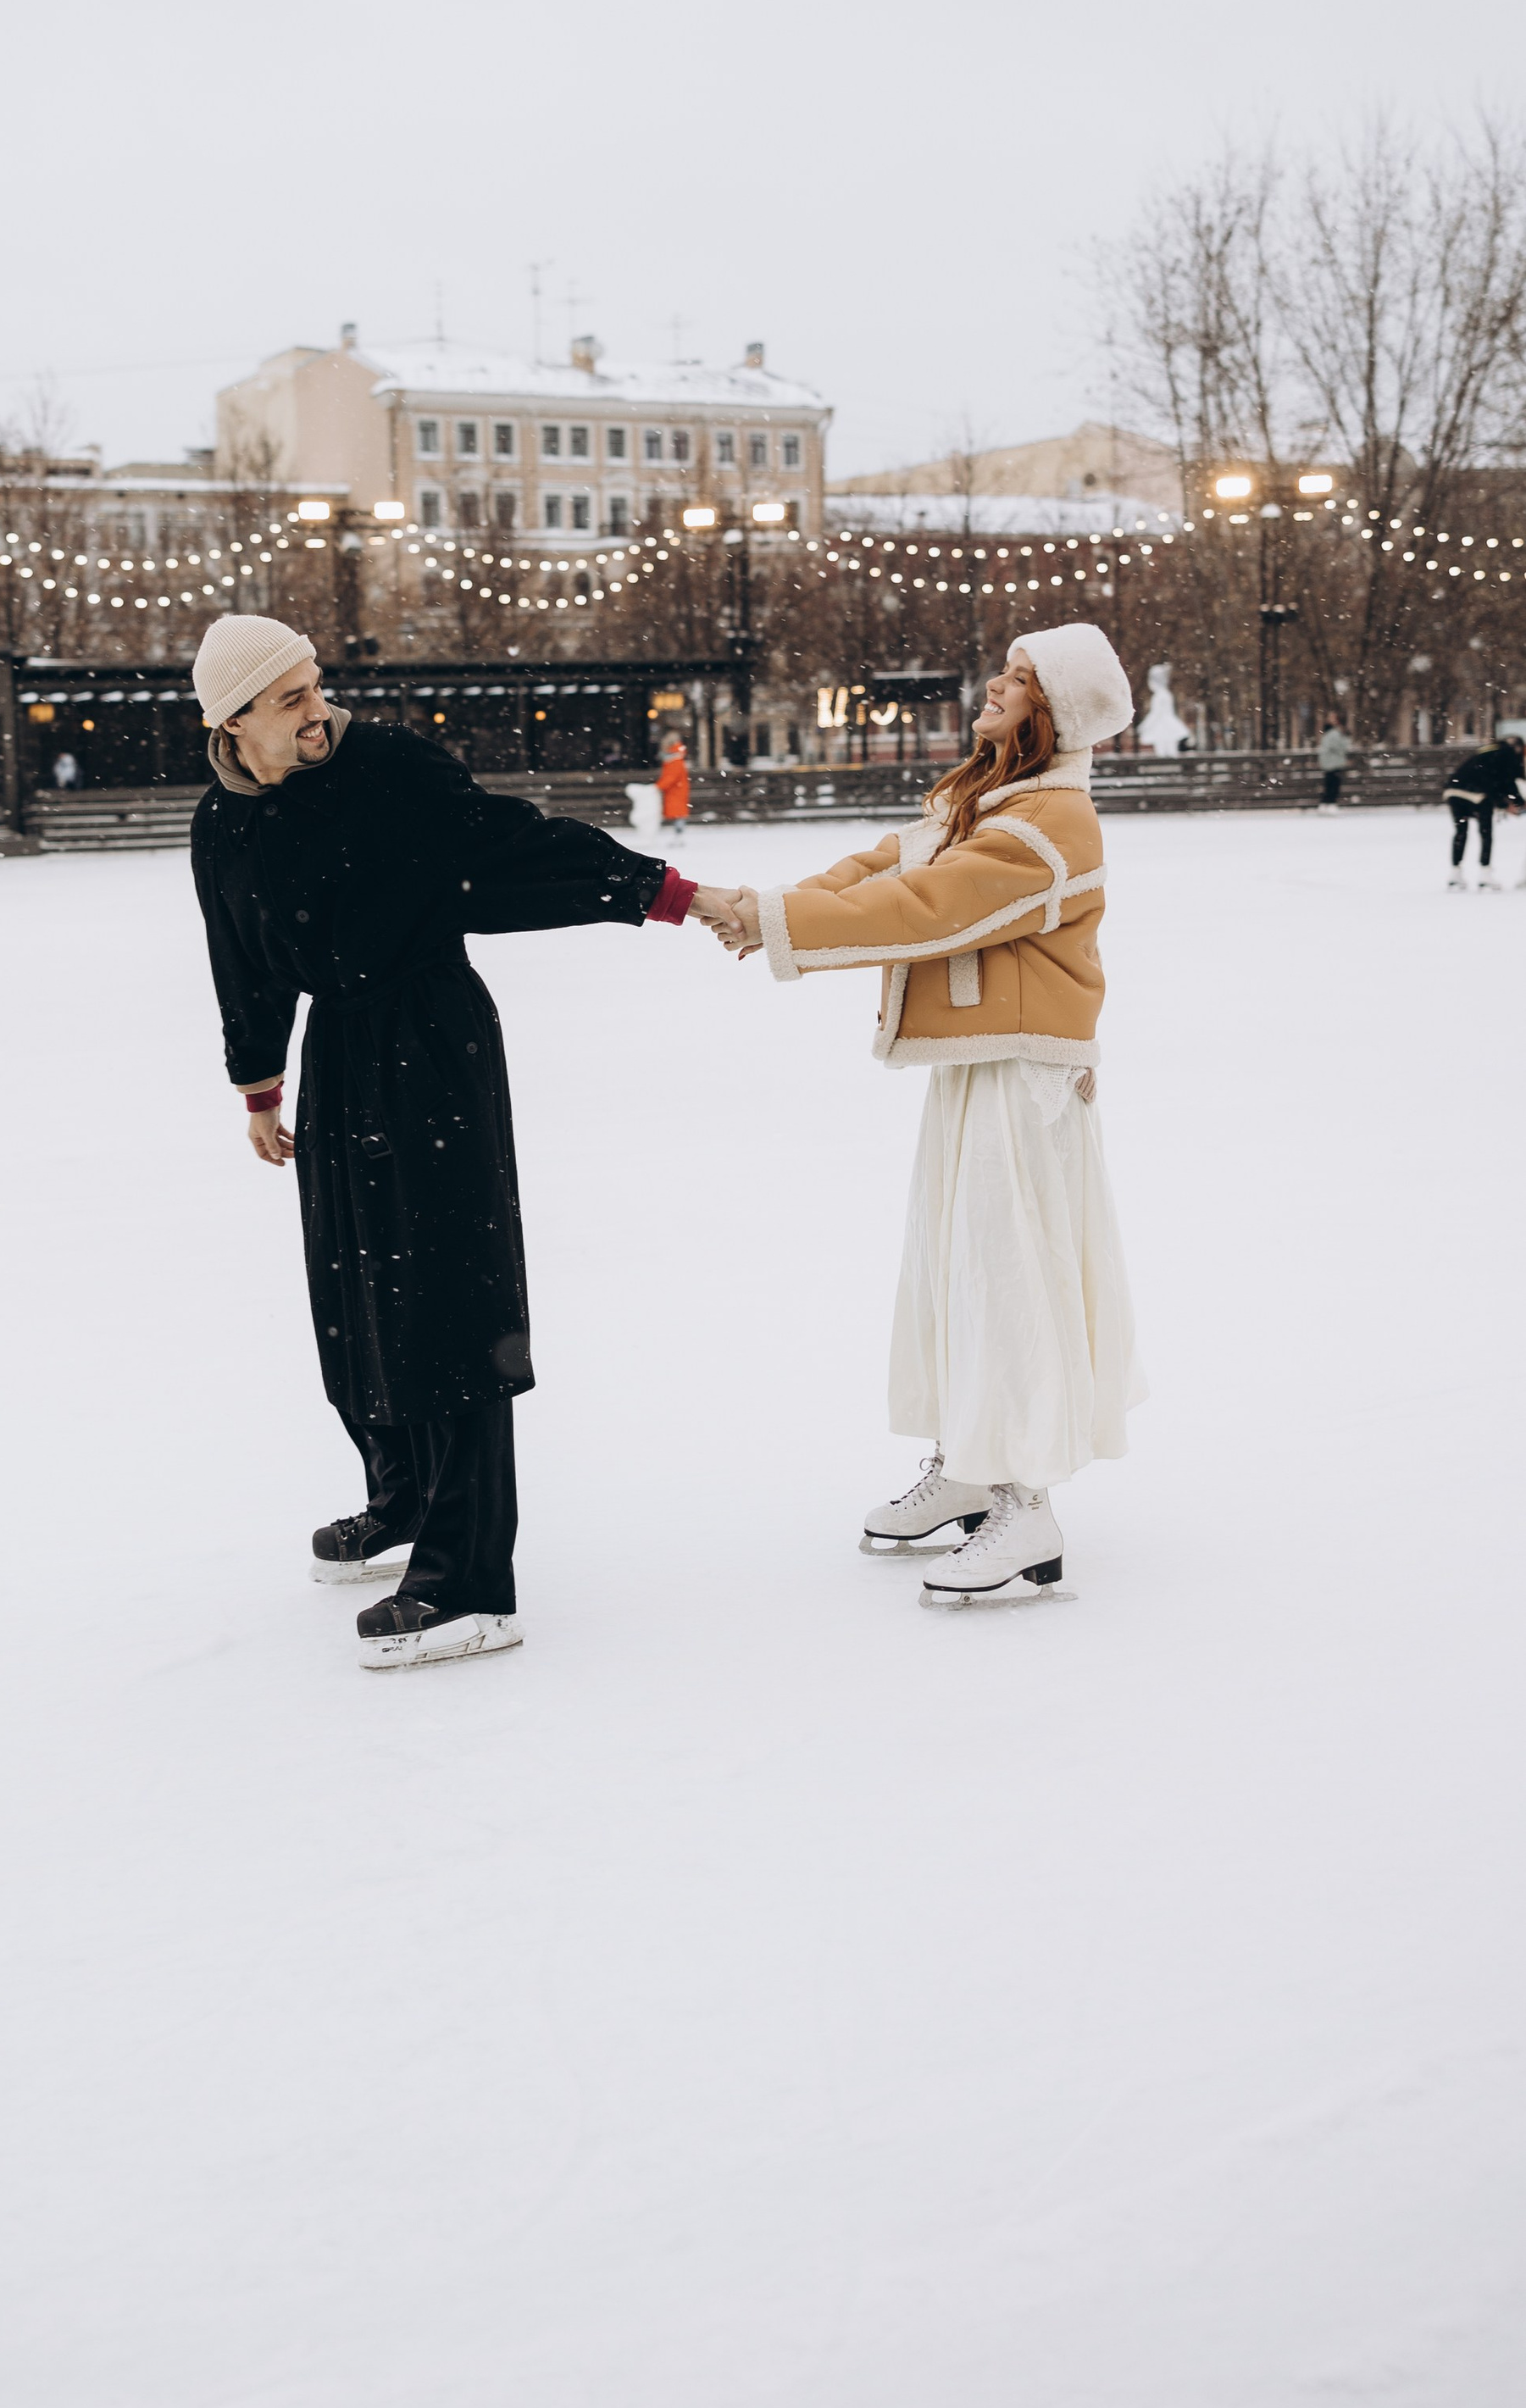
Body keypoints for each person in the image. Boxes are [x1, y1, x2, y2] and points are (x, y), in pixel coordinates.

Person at [189, 614, 703, 1671]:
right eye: (291, 699)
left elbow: (508, 846)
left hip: (429, 1038)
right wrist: (259, 1085)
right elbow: (239, 954)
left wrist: (660, 892)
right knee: (354, 1286)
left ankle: (470, 1580)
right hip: (340, 1051)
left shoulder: (387, 766)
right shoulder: (223, 819)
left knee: (444, 1295)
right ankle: (405, 1497)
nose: (319, 710)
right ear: (232, 721)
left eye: (315, 685)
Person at [698, 622, 1144, 1604]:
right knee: (957, 1270)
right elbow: (879, 871)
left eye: (1019, 680)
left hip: (1023, 1074)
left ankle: (1026, 1502)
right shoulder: (989, 799)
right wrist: (767, 906)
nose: (996, 685)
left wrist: (771, 921)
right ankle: (974, 1465)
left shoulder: (1050, 822)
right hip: (977, 1063)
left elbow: (928, 910)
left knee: (1008, 1279)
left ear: (1054, 712)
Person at [1441, 734, 1523, 891]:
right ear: (1518, 747)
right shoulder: (1508, 754)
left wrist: (1505, 803)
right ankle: (1485, 874)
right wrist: (1513, 804)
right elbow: (1505, 782)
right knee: (1485, 832)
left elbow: (1487, 775)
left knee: (1461, 831)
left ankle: (1455, 874)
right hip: (1477, 794)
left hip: (1453, 790)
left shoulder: (1489, 750)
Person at [658, 730, 691, 845]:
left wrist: (658, 787)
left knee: (678, 814)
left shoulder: (674, 760)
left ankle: (679, 836)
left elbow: (670, 777)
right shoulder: (675, 759)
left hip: (676, 792)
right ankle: (678, 836)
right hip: (676, 791)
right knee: (678, 813)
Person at [1316, 713, 1352, 808]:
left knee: (1330, 784)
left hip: (1331, 762)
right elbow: (1341, 747)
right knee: (1332, 784)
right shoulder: (1334, 733)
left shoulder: (1330, 732)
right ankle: (1330, 803)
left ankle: (1327, 803)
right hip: (1333, 763)